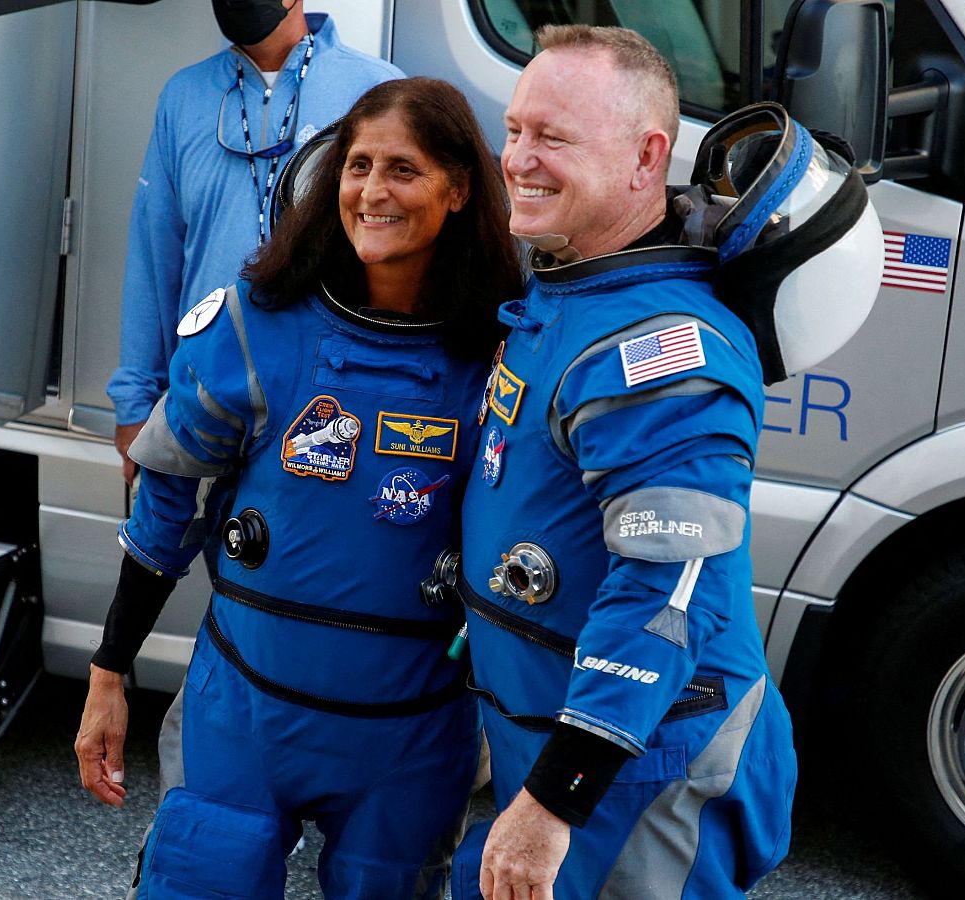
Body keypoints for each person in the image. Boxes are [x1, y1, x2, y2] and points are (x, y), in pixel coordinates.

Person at [84, 77, 521, 899]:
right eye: (358, 165)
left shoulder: (506, 355)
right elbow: (168, 502)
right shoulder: (258, 325)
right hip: (245, 715)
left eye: (403, 169)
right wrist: (111, 671)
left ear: (460, 189)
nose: (372, 190)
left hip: (412, 737)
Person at [449, 26, 801, 899]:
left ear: (648, 159)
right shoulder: (573, 281)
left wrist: (555, 800)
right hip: (556, 746)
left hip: (638, 778)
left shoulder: (662, 350)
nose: (519, 159)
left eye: (554, 138)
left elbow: (666, 591)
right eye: (517, 129)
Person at [105, 0, 402, 483]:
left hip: (326, 401)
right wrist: (135, 400)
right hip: (203, 393)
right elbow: (153, 256)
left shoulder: (375, 91)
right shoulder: (183, 96)